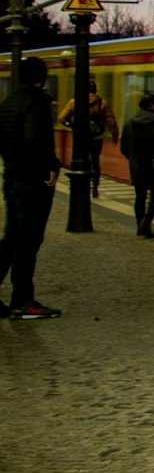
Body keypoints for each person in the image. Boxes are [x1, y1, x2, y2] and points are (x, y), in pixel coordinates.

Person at [0, 57, 65, 321]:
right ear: (42, 77)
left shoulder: (8, 103)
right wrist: (50, 165)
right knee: (28, 240)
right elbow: (34, 139)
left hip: (12, 177)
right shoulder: (37, 102)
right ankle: (23, 301)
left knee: (11, 238)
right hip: (32, 181)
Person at [118, 91, 154, 237]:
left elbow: (124, 148)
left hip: (137, 166)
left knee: (140, 196)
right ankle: (147, 220)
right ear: (151, 105)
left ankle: (139, 224)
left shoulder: (129, 123)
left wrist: (133, 159)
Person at [57, 76, 119, 198]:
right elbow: (111, 121)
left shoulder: (74, 102)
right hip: (97, 137)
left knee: (78, 160)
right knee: (95, 161)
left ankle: (80, 185)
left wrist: (71, 125)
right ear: (95, 90)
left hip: (80, 138)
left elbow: (61, 118)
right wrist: (115, 135)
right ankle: (95, 186)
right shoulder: (102, 103)